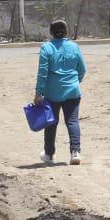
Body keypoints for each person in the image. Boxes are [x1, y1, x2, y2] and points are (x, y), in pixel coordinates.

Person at [33, 19, 87, 165]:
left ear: (51, 32)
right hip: (72, 92)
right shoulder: (74, 46)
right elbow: (82, 69)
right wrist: (75, 82)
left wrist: (39, 93)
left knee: (51, 123)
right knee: (72, 121)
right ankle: (75, 152)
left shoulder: (46, 48)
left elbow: (42, 72)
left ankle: (49, 154)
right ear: (66, 31)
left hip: (52, 93)